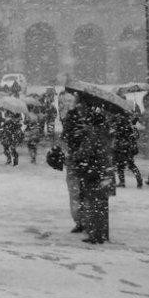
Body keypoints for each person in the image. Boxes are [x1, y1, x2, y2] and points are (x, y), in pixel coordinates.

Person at [65, 89, 115, 244]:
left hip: (94, 172)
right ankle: (102, 233)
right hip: (104, 171)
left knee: (94, 203)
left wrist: (72, 157)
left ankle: (95, 235)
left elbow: (84, 152)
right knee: (101, 204)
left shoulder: (93, 134)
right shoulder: (104, 132)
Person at [58, 91, 84, 233]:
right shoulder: (95, 116)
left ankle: (80, 220)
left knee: (75, 192)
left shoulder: (72, 116)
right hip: (91, 162)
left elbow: (64, 139)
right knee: (86, 191)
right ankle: (88, 218)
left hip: (75, 160)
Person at [110, 109, 142, 188]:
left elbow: (116, 133)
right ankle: (139, 180)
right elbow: (136, 135)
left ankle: (122, 182)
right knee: (130, 164)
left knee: (120, 165)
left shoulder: (119, 121)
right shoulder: (130, 122)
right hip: (128, 146)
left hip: (120, 146)